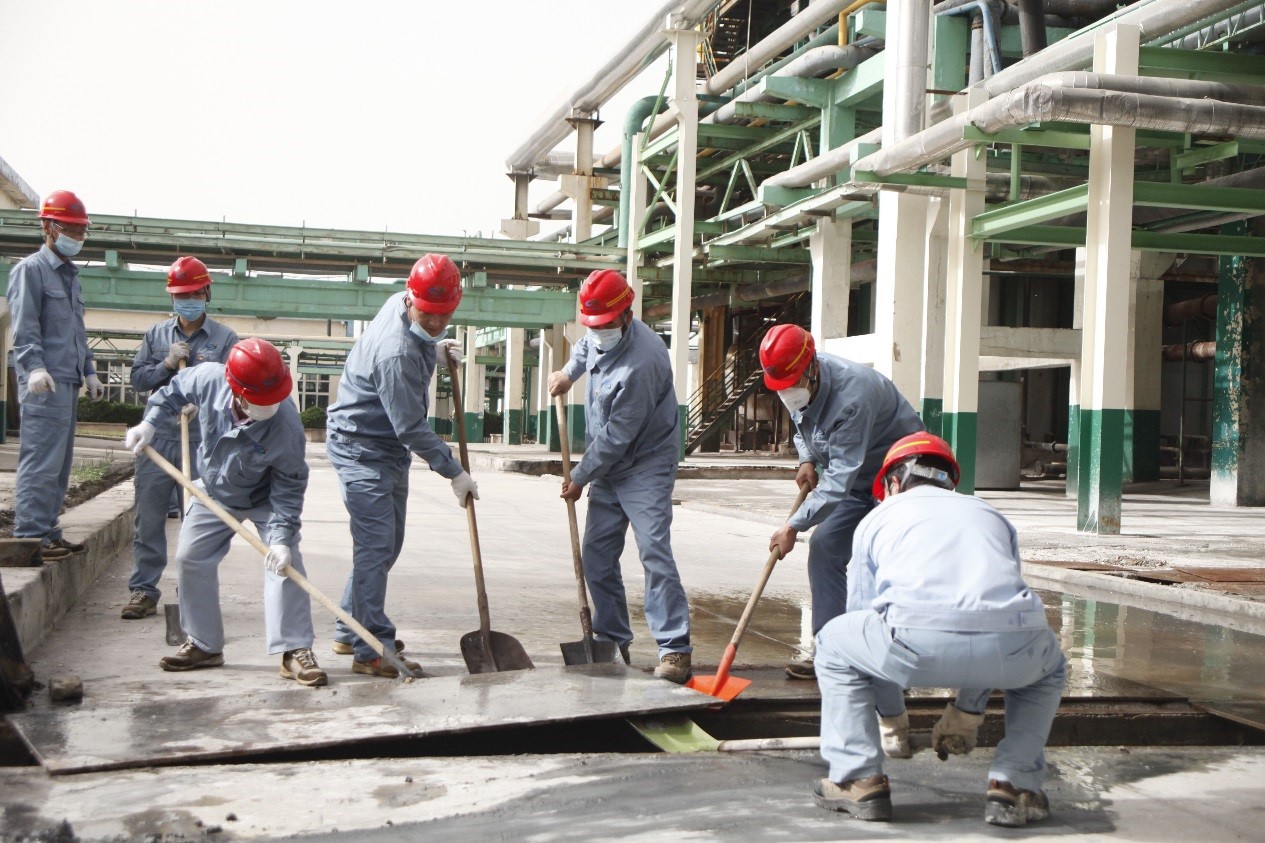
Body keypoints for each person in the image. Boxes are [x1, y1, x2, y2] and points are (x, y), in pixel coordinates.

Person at [813, 433, 1066, 826]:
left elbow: (864, 620)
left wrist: (892, 718)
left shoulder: (877, 518)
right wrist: (967, 713)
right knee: (1048, 668)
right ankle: (1015, 785)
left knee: (833, 642)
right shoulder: (990, 514)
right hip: (1014, 647)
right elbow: (993, 611)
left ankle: (858, 779)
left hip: (911, 644)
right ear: (950, 480)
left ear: (893, 483)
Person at [123, 338, 327, 687]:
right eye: (260, 400)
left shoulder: (287, 426)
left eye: (274, 397)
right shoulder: (209, 379)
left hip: (266, 499)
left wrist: (281, 539)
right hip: (214, 489)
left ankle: (295, 650)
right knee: (190, 558)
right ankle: (204, 644)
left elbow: (289, 487)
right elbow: (173, 390)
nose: (270, 406)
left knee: (286, 565)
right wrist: (150, 423)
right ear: (236, 390)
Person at [324, 254, 476, 678]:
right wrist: (454, 471)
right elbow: (409, 426)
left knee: (386, 546)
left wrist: (432, 349)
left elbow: (417, 344)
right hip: (361, 448)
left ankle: (349, 628)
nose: (435, 322)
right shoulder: (395, 353)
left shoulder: (400, 304)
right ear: (412, 299)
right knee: (375, 548)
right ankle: (371, 647)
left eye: (444, 315)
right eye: (428, 315)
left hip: (386, 448)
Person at [548, 269, 692, 684]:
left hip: (645, 464)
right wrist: (568, 373)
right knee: (596, 555)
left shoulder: (643, 361)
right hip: (608, 465)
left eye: (605, 324)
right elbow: (584, 347)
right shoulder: (598, 333)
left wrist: (580, 476)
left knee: (653, 551)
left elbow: (617, 436)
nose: (598, 332)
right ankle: (611, 639)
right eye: (592, 324)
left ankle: (675, 648)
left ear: (627, 315)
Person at [762, 324, 924, 679]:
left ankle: (893, 659)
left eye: (792, 383)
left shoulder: (853, 396)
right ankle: (831, 651)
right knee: (825, 547)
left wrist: (793, 525)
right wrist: (807, 458)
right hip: (860, 479)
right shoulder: (795, 382)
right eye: (781, 387)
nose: (787, 392)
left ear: (812, 367)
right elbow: (803, 424)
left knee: (886, 561)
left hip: (902, 480)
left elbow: (837, 480)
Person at [121, 257, 239, 620]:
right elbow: (138, 380)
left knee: (198, 521)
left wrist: (203, 401)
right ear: (172, 297)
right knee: (149, 518)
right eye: (180, 295)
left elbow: (234, 388)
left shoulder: (225, 339)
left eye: (193, 294)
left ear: (207, 293)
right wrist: (167, 365)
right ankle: (144, 590)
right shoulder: (156, 336)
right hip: (157, 438)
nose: (187, 300)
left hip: (203, 440)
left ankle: (192, 591)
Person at [6, 190, 105, 561]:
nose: (78, 237)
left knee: (59, 466)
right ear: (48, 227)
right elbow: (25, 327)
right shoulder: (30, 271)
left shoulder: (70, 276)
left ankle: (48, 531)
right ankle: (31, 535)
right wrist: (33, 367)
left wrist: (90, 371)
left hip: (68, 380)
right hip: (43, 382)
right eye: (71, 230)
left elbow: (76, 330)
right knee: (41, 462)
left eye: (81, 232)